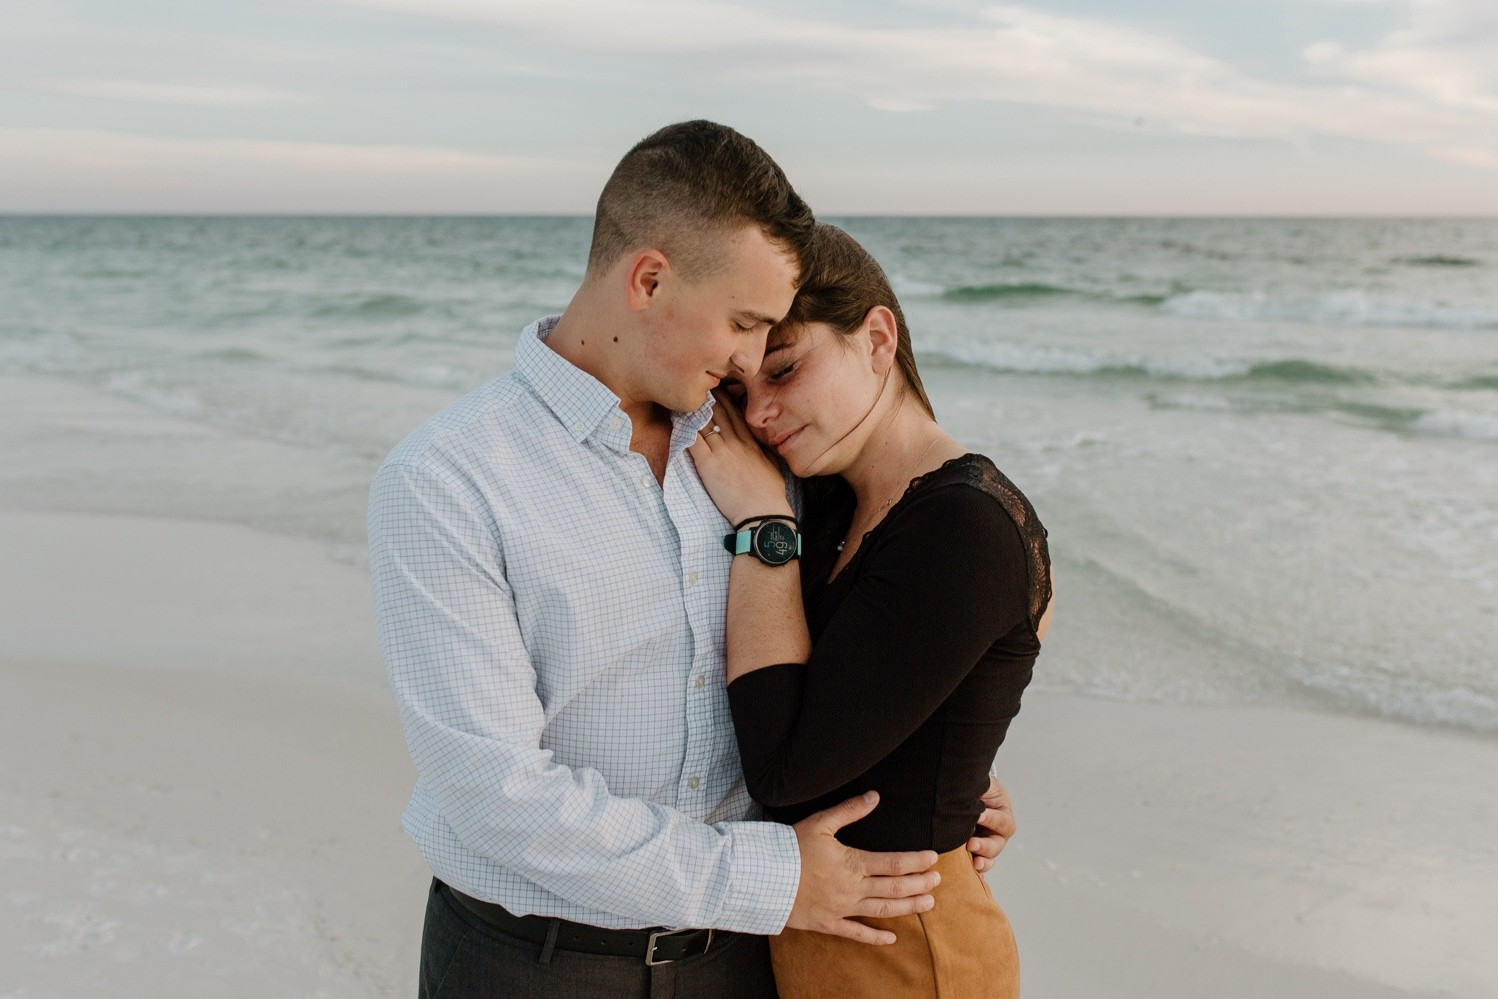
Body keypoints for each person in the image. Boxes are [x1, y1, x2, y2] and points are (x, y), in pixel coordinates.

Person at [367, 121, 1016, 998]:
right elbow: (495, 794)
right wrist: (770, 877)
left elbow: (847, 664)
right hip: (536, 964)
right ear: (649, 279)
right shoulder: (448, 479)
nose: (750, 359)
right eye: (743, 323)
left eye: (770, 336)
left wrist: (941, 777)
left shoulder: (767, 456)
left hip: (745, 961)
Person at [688, 222, 1054, 998]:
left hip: (906, 953)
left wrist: (762, 529)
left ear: (878, 339)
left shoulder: (965, 524)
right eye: (742, 392)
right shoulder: (832, 502)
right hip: (820, 940)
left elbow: (784, 770)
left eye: (785, 369)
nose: (760, 414)